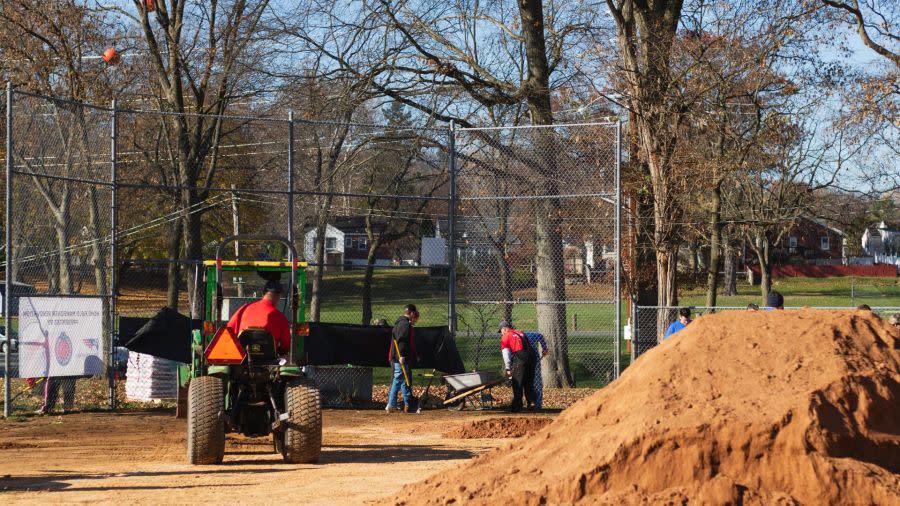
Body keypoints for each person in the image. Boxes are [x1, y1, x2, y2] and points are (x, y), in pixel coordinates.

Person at [225, 280, 291, 356]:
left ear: (263, 294)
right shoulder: (280, 317)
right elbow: (286, 345)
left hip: (242, 360)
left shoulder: (244, 309)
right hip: (268, 361)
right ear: (279, 296)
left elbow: (228, 331)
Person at [386, 304, 419, 413]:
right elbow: (401, 341)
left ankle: (408, 404)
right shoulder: (404, 324)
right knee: (398, 379)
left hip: (398, 356)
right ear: (412, 313)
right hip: (399, 357)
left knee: (404, 380)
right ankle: (391, 404)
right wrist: (402, 355)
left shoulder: (399, 323)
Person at [499, 320, 536, 412]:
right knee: (528, 381)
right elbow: (529, 345)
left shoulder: (506, 336)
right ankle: (531, 402)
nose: (501, 333)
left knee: (517, 382)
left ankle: (517, 406)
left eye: (501, 331)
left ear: (505, 329)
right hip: (532, 357)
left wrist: (508, 368)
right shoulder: (520, 332)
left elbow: (506, 354)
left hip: (521, 357)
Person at [524, 332, 549, 410]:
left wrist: (544, 349)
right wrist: (544, 349)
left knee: (534, 381)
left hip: (532, 360)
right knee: (532, 382)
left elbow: (540, 336)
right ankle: (533, 402)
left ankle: (536, 403)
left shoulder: (525, 335)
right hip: (527, 360)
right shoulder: (523, 335)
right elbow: (540, 336)